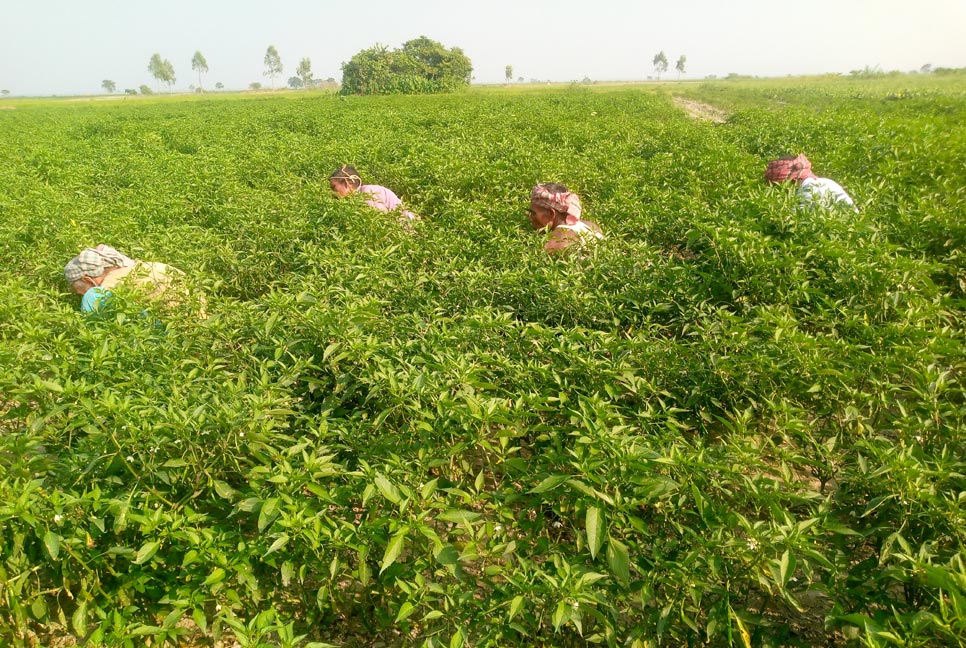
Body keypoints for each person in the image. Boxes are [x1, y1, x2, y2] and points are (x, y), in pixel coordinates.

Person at [64, 244, 189, 313]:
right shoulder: (153, 266)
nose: (83, 296)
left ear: (87, 280)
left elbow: (94, 330)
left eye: (81, 293)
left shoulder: (102, 292)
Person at [329, 165, 418, 225]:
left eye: (334, 187)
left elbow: (382, 223)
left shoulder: (369, 192)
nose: (333, 193)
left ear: (346, 183)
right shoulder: (357, 199)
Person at [765, 154, 858, 211]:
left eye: (778, 186)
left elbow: (795, 221)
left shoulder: (809, 190)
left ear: (791, 181)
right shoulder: (826, 181)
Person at [529, 183, 603, 254]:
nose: (530, 218)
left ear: (551, 214)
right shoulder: (592, 226)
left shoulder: (552, 243)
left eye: (533, 213)